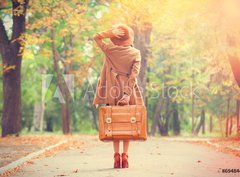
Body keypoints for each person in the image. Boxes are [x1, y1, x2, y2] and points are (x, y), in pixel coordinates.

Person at [92, 24, 144, 168]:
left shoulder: (109, 50)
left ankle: (116, 156)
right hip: (129, 91)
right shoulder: (136, 53)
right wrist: (127, 94)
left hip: (112, 91)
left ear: (115, 39)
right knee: (127, 122)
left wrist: (109, 33)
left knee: (115, 123)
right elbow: (134, 75)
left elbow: (96, 36)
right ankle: (125, 156)